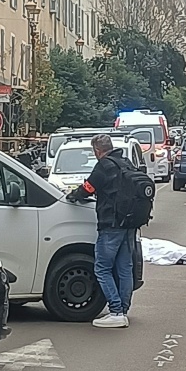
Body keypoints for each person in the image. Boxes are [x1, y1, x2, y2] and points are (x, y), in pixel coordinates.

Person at [66, 134, 137, 328]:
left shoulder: (104, 166)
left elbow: (88, 188)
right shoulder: (126, 163)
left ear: (97, 150)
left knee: (102, 268)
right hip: (129, 224)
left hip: (111, 224)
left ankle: (115, 311)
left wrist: (73, 196)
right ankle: (123, 310)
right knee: (125, 268)